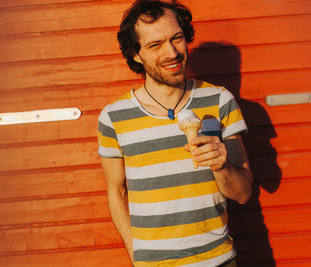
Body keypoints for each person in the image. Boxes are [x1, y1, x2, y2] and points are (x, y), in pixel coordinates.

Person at [97, 0, 253, 266]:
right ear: (136, 54)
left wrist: (222, 165)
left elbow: (243, 193)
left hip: (218, 260)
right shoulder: (113, 117)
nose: (172, 52)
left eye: (176, 38)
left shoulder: (219, 100)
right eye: (155, 45)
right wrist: (137, 255)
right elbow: (116, 191)